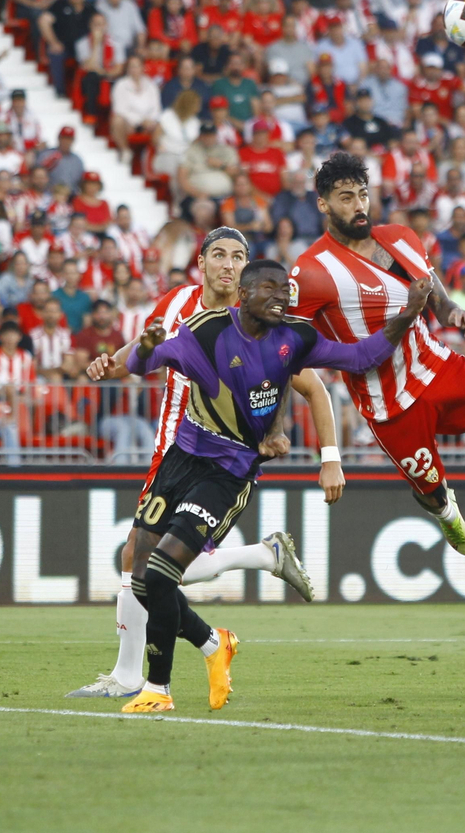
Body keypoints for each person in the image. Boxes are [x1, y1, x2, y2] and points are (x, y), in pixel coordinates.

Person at [118, 258, 431, 714]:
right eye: (270, 288)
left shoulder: (296, 337)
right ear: (243, 296)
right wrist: (145, 349)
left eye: (285, 288)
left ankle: (158, 689)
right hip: (180, 460)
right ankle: (213, 642)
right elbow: (136, 364)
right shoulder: (204, 333)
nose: (282, 295)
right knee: (143, 580)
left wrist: (407, 315)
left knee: (163, 573)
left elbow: (361, 357)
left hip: (227, 472)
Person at [65, 226, 337, 699]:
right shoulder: (177, 304)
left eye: (238, 257)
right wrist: (114, 361)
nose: (228, 265)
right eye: (219, 255)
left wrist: (285, 435)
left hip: (222, 460)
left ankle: (140, 673)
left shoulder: (257, 319)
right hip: (172, 449)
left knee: (150, 561)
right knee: (142, 558)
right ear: (203, 262)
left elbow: (304, 384)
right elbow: (144, 345)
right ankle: (249, 578)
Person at [289, 153, 465, 559]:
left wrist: (452, 311)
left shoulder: (401, 236)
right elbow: (287, 348)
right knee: (432, 492)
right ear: (323, 204)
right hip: (388, 404)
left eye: (363, 194)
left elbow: (432, 288)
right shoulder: (311, 271)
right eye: (346, 197)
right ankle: (449, 513)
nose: (358, 205)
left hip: (439, 367)